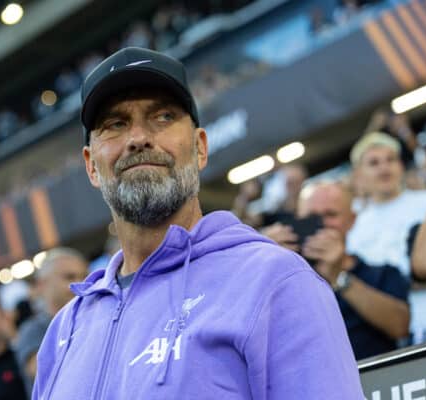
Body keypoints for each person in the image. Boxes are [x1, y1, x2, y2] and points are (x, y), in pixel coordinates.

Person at [32, 47, 364, 399]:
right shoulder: (65, 331)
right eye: (116, 124)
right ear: (90, 166)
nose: (138, 138)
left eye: (162, 117)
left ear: (201, 147)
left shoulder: (275, 281)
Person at [296, 182, 409, 359]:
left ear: (352, 220)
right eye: (311, 216)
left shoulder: (383, 273)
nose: (321, 224)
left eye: (331, 215)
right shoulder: (287, 279)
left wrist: (338, 277)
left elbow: (400, 326)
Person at [346, 132, 426, 343]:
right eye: (374, 163)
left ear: (401, 166)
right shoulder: (353, 224)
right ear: (359, 174)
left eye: (390, 160)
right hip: (389, 334)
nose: (384, 168)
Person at [15, 247, 87, 396]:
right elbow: (49, 374)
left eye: (84, 276)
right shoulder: (32, 329)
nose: (80, 283)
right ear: (42, 284)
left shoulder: (94, 319)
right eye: (69, 277)